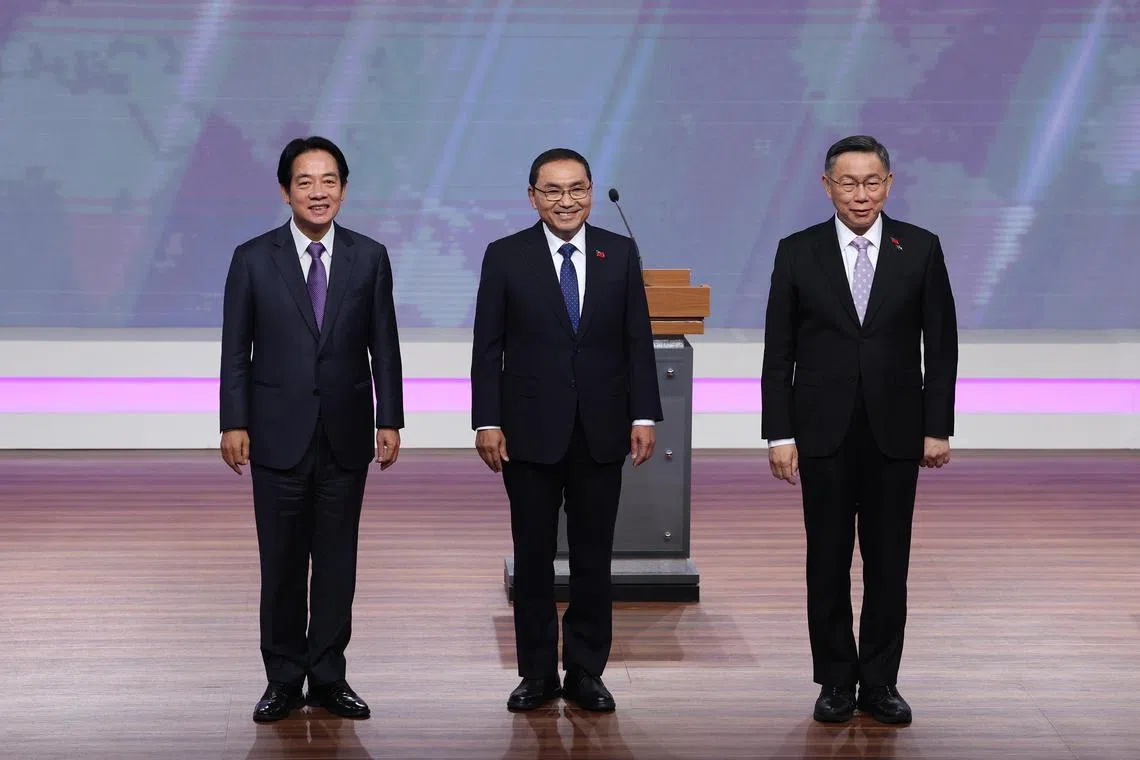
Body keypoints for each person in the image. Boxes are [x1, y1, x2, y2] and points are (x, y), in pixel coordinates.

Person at [761, 135, 958, 725]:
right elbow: (780, 351)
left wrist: (937, 427)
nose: (861, 194)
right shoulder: (797, 251)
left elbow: (940, 346)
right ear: (827, 187)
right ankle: (835, 681)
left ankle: (880, 682)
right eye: (848, 183)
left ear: (889, 183)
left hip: (896, 431)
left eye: (872, 182)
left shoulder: (919, 248)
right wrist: (779, 433)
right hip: (820, 431)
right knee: (826, 560)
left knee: (887, 561)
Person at [219, 136, 404, 723]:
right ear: (285, 190)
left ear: (344, 190)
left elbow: (385, 346)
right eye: (305, 181)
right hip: (275, 435)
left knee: (335, 562)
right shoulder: (252, 258)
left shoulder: (370, 257)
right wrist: (234, 421)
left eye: (329, 181)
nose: (318, 192)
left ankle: (327, 676)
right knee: (280, 564)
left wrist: (389, 417)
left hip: (347, 433)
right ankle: (282, 679)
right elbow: (235, 353)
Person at [470, 148, 663, 712]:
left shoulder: (619, 253)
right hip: (527, 432)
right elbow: (488, 348)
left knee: (592, 557)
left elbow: (637, 341)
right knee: (532, 557)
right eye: (552, 191)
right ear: (532, 196)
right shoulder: (505, 256)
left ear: (590, 190)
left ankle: (584, 670)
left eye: (577, 189)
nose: (566, 200)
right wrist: (488, 419)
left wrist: (643, 414)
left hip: (602, 430)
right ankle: (535, 673)